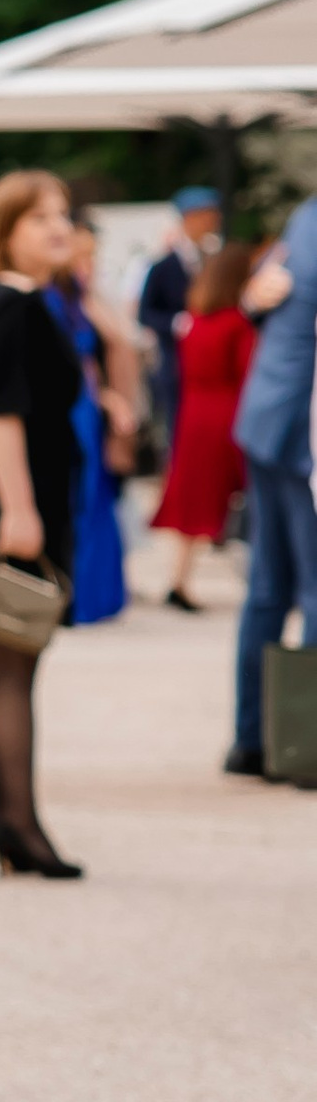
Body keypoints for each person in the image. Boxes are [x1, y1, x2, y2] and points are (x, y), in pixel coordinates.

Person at [0, 169, 85, 877]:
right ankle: (17, 823)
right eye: (40, 219)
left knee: (5, 658)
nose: (58, 228)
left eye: (62, 215)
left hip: (19, 492)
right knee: (12, 660)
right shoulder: (11, 305)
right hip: (16, 498)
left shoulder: (23, 301)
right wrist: (21, 509)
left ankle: (3, 816)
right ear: (6, 233)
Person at [226, 189, 317, 781]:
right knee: (313, 589)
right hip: (302, 431)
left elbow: (263, 294)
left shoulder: (307, 214)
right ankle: (306, 747)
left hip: (265, 417)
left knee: (268, 586)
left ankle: (253, 740)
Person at [149, 241, 257, 610]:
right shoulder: (235, 323)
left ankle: (178, 578)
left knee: (192, 499)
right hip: (224, 414)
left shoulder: (193, 320)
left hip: (193, 413)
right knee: (228, 498)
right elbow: (246, 376)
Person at [46, 222, 137, 630]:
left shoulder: (82, 301)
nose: (88, 266)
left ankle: (96, 595)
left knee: (96, 499)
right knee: (79, 498)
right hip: (69, 409)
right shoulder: (56, 301)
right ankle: (76, 596)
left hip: (87, 407)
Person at [138, 188, 223, 453]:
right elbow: (145, 313)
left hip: (212, 367)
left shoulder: (216, 259)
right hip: (177, 365)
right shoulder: (163, 266)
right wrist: (177, 324)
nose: (212, 222)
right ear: (189, 218)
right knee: (180, 436)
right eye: (206, 216)